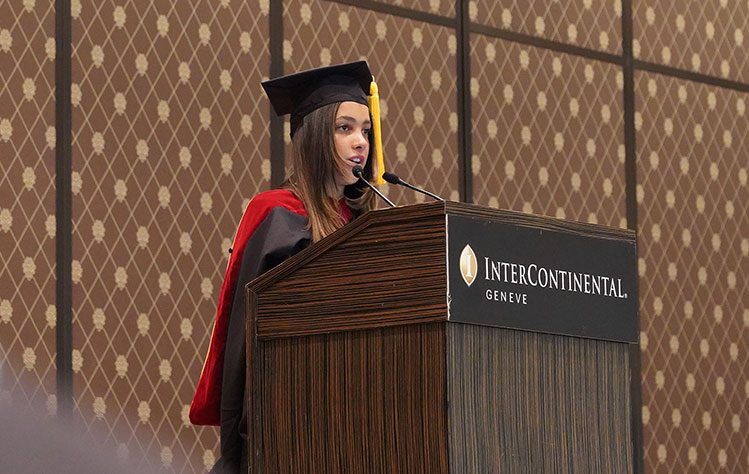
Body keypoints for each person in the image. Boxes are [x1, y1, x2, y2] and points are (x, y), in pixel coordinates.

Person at [189, 61, 385, 474]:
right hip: (292, 416)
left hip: (357, 420)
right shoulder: (277, 213)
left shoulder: (363, 225)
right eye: (344, 128)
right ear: (314, 136)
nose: (361, 143)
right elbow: (245, 331)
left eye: (365, 131)